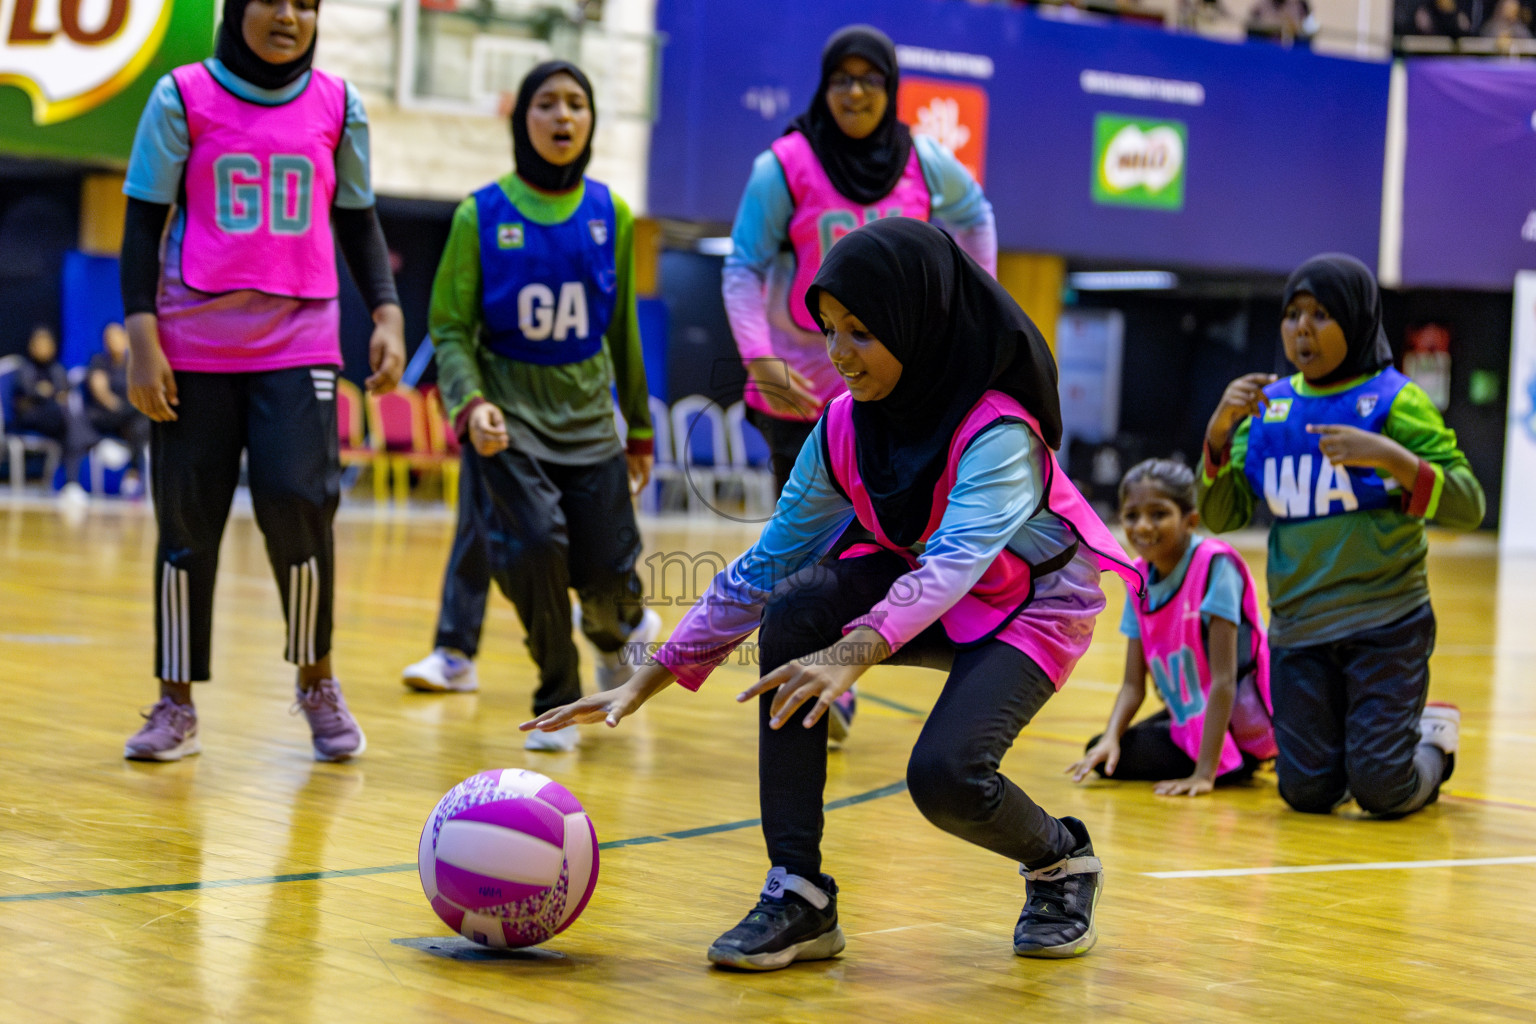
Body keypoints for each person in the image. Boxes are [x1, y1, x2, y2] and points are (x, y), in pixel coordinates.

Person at [525, 219, 1142, 968]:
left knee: (945, 777)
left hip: (1029, 606)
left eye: (861, 332)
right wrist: (646, 677)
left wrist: (853, 654)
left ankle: (1059, 860)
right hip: (923, 587)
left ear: (920, 325)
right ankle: (799, 892)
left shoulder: (1000, 434)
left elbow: (952, 565)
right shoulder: (843, 426)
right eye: (829, 331)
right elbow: (765, 563)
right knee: (797, 606)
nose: (838, 355)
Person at [118, 0, 405, 761]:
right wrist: (142, 335)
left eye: (307, 4)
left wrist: (386, 313)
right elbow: (143, 222)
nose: (290, 16)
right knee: (187, 525)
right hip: (193, 343)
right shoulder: (181, 96)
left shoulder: (340, 105)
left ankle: (317, 681)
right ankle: (174, 702)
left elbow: (359, 220)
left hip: (300, 342)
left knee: (300, 505)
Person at [722, 25, 997, 744]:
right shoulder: (784, 165)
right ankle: (821, 679)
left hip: (897, 398)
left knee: (868, 543)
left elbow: (976, 217)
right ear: (824, 86)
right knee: (811, 543)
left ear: (890, 87)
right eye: (841, 79)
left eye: (869, 79)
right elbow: (743, 265)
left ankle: (835, 665)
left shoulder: (925, 162)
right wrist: (759, 359)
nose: (854, 92)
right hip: (802, 392)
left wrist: (975, 309)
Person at [426, 60, 662, 752]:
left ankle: (619, 630)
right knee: (531, 549)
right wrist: (470, 403)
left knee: (608, 576)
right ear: (521, 119)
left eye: (577, 105)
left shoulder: (610, 212)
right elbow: (449, 328)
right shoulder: (480, 214)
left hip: (590, 425)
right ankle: (557, 697)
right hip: (512, 424)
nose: (563, 117)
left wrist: (641, 429)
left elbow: (622, 330)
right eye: (548, 104)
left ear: (591, 122)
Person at [1199, 254, 1483, 818]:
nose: (1302, 329)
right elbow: (1222, 515)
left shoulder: (1396, 399)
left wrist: (1390, 457)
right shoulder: (1269, 407)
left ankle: (1433, 742)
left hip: (1387, 622)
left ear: (1355, 321)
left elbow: (1468, 504)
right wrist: (1216, 435)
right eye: (1293, 314)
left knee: (1383, 791)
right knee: (1307, 794)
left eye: (1322, 314)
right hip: (1299, 629)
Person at [1068, 459, 1275, 797]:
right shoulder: (1138, 576)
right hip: (1192, 709)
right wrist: (1110, 737)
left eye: (1158, 514)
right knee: (1104, 749)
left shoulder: (1216, 565)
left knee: (1124, 758)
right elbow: (1133, 685)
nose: (1143, 526)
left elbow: (1224, 682)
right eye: (1132, 515)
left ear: (1190, 520)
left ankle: (1237, 761)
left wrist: (1203, 774)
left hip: (1237, 721)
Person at [7, 325, 97, 502]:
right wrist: (45, 394)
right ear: (31, 346)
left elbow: (63, 393)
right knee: (68, 419)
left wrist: (48, 393)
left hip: (56, 419)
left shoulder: (57, 370)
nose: (43, 347)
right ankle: (92, 441)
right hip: (30, 418)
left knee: (68, 423)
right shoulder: (24, 368)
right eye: (38, 343)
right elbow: (26, 396)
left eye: (46, 343)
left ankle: (72, 483)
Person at [85, 322, 152, 496]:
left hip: (129, 420)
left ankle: (134, 473)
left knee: (139, 424)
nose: (114, 341)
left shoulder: (134, 363)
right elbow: (101, 392)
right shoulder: (99, 361)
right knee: (138, 415)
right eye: (109, 338)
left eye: (118, 337)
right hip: (106, 414)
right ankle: (134, 473)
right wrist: (122, 408)